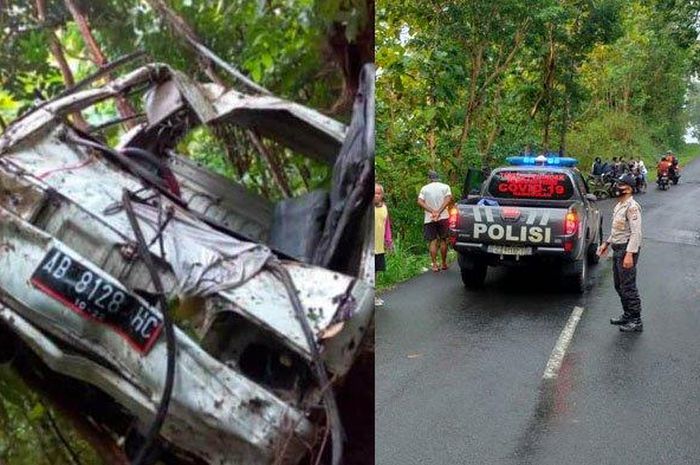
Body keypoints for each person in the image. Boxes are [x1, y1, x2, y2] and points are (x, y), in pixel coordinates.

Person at [597, 173, 644, 332]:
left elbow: (636, 233)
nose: (617, 187)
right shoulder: (619, 205)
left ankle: (636, 320)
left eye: (621, 185)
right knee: (619, 285)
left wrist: (630, 254)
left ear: (629, 189)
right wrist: (606, 243)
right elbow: (617, 229)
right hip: (618, 248)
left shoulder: (632, 207)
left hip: (626, 250)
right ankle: (627, 315)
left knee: (628, 286)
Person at [418, 170, 452, 272]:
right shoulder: (445, 187)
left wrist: (432, 211)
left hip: (429, 218)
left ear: (429, 178)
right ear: (438, 177)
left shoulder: (424, 188)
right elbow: (448, 199)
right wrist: (439, 211)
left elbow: (419, 201)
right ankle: (444, 263)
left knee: (433, 241)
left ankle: (434, 265)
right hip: (444, 217)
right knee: (443, 240)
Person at [374, 183, 393, 307]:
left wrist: (389, 242)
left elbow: (387, 227)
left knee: (375, 272)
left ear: (382, 195)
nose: (376, 195)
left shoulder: (384, 208)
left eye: (378, 193)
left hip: (379, 247)